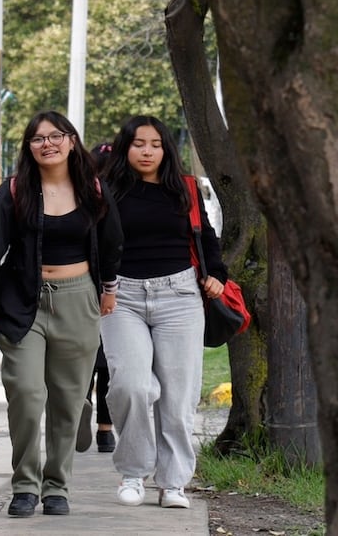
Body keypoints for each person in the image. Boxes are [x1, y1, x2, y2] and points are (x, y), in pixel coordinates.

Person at [0, 110, 123, 518]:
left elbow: (112, 242)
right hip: (23, 299)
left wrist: (107, 290)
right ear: (29, 147)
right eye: (38, 139)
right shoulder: (14, 191)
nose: (48, 144)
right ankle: (25, 484)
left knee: (66, 398)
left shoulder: (93, 189)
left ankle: (57, 485)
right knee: (26, 392)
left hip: (78, 299)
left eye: (56, 136)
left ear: (71, 141)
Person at [100, 115, 227, 510]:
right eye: (139, 143)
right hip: (122, 297)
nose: (147, 151)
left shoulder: (184, 189)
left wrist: (217, 275)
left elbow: (205, 238)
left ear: (166, 149)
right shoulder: (106, 191)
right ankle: (133, 472)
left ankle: (173, 483)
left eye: (155, 144)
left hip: (180, 295)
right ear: (126, 147)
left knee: (178, 396)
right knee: (131, 385)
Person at [76, 141, 116, 454]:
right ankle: (105, 429)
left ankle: (79, 406)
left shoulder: (81, 197)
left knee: (84, 356)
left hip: (82, 286)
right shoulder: (121, 198)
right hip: (116, 288)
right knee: (109, 363)